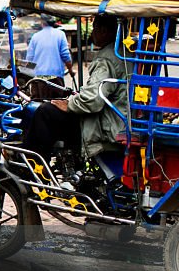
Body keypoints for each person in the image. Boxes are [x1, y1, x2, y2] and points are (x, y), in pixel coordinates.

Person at [21, 15, 130, 165]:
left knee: (45, 112)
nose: (92, 34)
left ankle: (33, 167)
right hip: (57, 77)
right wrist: (70, 69)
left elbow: (93, 100)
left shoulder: (107, 59)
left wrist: (70, 104)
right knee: (55, 108)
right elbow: (66, 55)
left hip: (107, 125)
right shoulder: (124, 53)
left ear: (104, 30)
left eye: (95, 29)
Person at [25, 14, 74, 99]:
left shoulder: (35, 37)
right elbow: (65, 55)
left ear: (42, 23)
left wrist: (34, 70)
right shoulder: (60, 34)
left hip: (39, 78)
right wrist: (70, 70)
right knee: (55, 105)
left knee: (38, 105)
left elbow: (29, 59)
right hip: (55, 77)